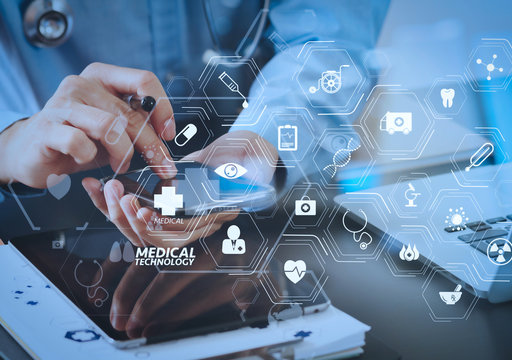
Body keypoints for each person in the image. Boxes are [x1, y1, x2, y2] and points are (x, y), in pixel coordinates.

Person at [0, 0, 389, 245]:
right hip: (48, 215)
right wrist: (9, 142)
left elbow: (330, 37)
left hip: (271, 206)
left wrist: (266, 137)